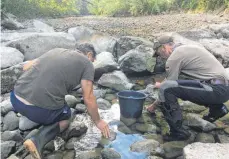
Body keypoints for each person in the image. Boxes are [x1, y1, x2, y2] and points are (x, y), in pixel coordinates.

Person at [10, 43, 110, 159]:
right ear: (89, 55)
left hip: (15, 98)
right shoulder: (87, 63)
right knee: (66, 116)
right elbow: (88, 97)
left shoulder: (56, 50)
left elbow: (26, 67)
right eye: (92, 61)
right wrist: (98, 121)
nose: (91, 64)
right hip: (38, 110)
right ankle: (36, 141)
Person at [147, 35, 229, 141]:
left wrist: (153, 106)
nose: (160, 57)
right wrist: (161, 84)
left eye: (158, 53)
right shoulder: (185, 49)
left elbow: (169, 86)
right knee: (171, 86)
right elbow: (178, 82)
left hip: (216, 90)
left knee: (166, 89)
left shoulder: (174, 57)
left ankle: (178, 132)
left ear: (165, 47)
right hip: (222, 88)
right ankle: (217, 109)